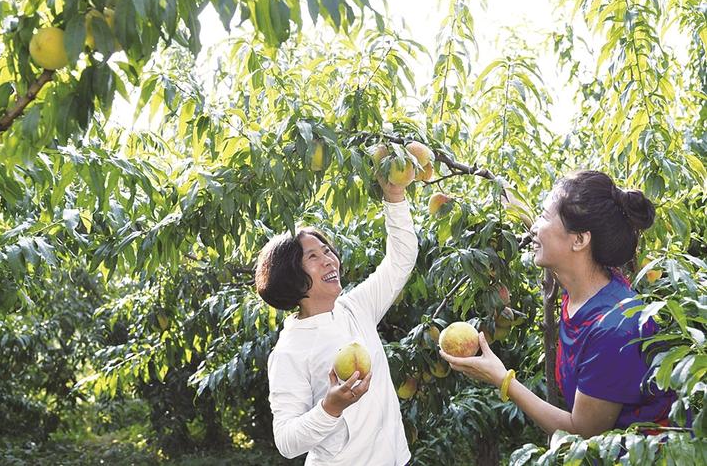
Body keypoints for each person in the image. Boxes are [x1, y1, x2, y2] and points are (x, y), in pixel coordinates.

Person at [441, 170, 676, 438]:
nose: (534, 228)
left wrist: (502, 379)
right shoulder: (587, 282)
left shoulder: (614, 330)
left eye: (543, 216)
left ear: (580, 240)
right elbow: (553, 238)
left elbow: (584, 432)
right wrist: (509, 197)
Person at [255, 176, 418, 465]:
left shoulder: (355, 307)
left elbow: (400, 260)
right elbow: (286, 441)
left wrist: (394, 197)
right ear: (293, 278)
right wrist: (330, 407)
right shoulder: (290, 350)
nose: (329, 260)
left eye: (327, 250)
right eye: (313, 257)